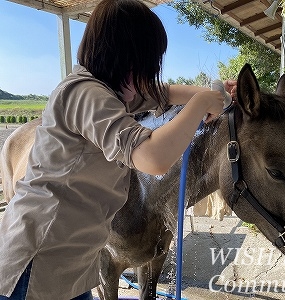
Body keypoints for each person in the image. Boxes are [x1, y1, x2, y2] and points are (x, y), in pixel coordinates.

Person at [0, 0, 236, 299]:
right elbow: (152, 158)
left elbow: (163, 93)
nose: (150, 74)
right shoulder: (85, 94)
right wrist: (201, 104)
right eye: (147, 62)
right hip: (37, 263)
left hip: (70, 265)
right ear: (125, 56)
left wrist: (214, 94)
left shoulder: (113, 94)